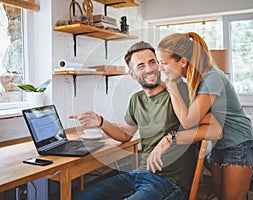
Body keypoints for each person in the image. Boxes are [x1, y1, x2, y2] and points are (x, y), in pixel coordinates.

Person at [71, 41, 222, 200]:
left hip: (170, 182)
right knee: (84, 197)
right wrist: (101, 122)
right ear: (132, 74)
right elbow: (125, 134)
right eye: (141, 66)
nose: (149, 69)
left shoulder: (179, 92)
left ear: (158, 64)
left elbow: (215, 129)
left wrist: (172, 138)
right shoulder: (137, 99)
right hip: (140, 174)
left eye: (152, 62)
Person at [157, 32, 253, 200]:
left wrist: (172, 87)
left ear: (182, 62)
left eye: (164, 63)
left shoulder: (212, 77)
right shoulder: (194, 80)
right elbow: (201, 118)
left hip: (240, 145)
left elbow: (189, 120)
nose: (161, 68)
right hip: (219, 146)